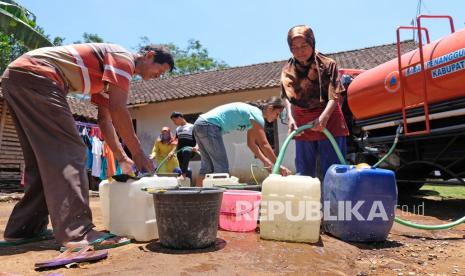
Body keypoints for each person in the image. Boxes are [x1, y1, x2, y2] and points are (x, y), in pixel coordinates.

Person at [0, 43, 174, 250]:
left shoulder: (109, 79)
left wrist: (121, 157)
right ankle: (78, 232)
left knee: (42, 160)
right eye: (160, 71)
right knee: (70, 152)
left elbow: (105, 120)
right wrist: (137, 153)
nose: (159, 76)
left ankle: (24, 229)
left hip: (18, 76)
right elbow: (119, 109)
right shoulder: (123, 59)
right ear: (149, 56)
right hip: (39, 75)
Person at [281, 25, 348, 179]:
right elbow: (287, 97)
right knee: (304, 172)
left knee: (334, 171)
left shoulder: (328, 64)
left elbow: (335, 93)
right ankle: (307, 202)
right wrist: (291, 118)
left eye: (304, 46)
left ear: (312, 43)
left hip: (328, 119)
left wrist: (324, 117)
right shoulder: (287, 70)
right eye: (294, 47)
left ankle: (334, 203)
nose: (300, 51)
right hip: (302, 123)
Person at [193, 96, 291, 187]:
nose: (276, 118)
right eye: (277, 114)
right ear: (270, 108)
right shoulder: (257, 115)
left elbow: (251, 144)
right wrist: (279, 165)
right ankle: (221, 200)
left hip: (200, 123)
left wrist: (265, 160)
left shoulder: (253, 116)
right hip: (209, 125)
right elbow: (264, 144)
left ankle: (198, 200)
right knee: (221, 168)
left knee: (207, 167)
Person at [170, 111, 197, 180]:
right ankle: (184, 176)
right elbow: (177, 141)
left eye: (174, 120)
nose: (174, 123)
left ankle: (183, 175)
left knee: (186, 151)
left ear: (179, 118)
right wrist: (172, 151)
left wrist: (197, 146)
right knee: (181, 163)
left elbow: (198, 138)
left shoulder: (192, 127)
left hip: (190, 149)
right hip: (180, 150)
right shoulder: (178, 129)